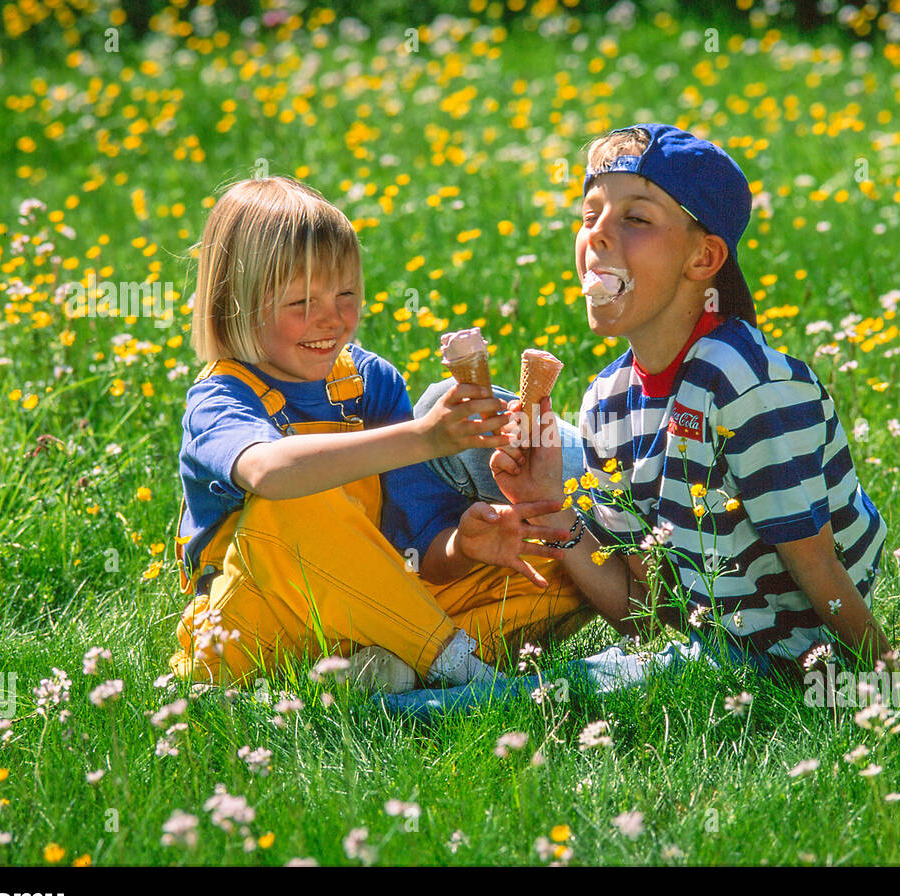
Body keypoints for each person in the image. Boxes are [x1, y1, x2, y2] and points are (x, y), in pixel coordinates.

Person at [487, 123, 894, 687]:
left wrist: (888, 684)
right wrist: (550, 511)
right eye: (589, 215)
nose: (598, 236)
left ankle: (400, 700)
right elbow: (649, 614)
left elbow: (816, 564)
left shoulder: (744, 383)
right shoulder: (605, 403)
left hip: (778, 662)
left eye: (637, 218)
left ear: (703, 259)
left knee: (532, 696)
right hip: (700, 646)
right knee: (450, 413)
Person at [171, 176, 588, 692]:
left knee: (567, 566)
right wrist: (425, 438)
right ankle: (457, 671)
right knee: (295, 500)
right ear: (237, 303)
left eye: (346, 293)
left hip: (367, 611)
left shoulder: (370, 383)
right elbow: (270, 471)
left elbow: (412, 545)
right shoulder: (219, 400)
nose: (333, 318)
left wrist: (464, 546)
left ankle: (380, 672)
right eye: (302, 303)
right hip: (253, 635)